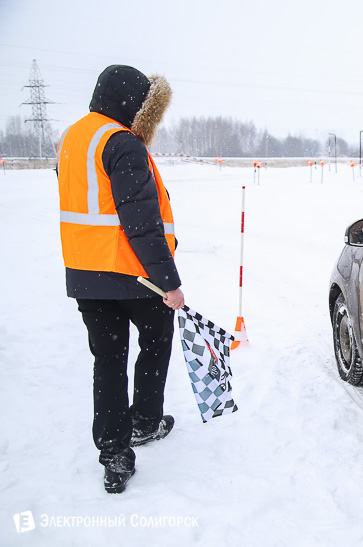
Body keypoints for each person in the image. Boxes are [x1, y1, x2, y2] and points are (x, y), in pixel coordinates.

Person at [57, 65, 185, 494]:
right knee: (156, 337)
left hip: (85, 276)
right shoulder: (122, 143)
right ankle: (145, 422)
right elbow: (142, 223)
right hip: (131, 275)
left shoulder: (74, 139)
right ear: (132, 103)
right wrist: (169, 283)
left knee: (107, 361)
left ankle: (114, 454)